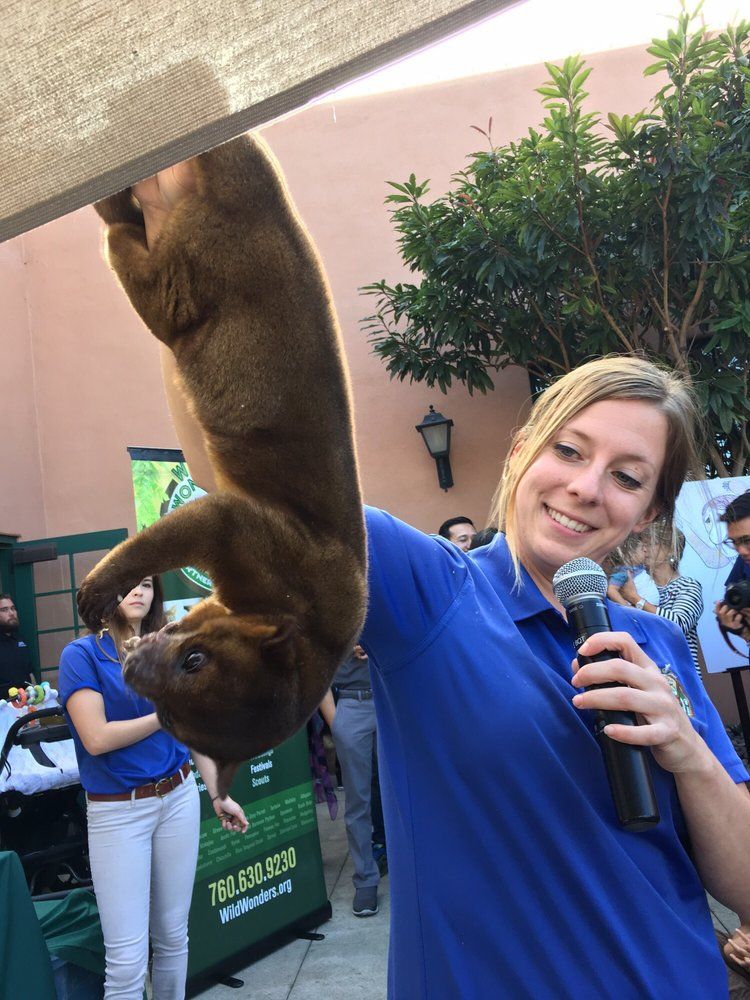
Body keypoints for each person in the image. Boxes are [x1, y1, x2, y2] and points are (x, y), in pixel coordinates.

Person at [121, 158, 750, 998]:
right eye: (569, 450)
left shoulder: (658, 647)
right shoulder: (435, 594)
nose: (587, 487)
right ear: (524, 450)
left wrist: (686, 750)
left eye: (628, 477)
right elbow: (244, 475)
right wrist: (178, 232)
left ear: (646, 513)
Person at [58, 576, 248, 1000]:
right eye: (128, 583)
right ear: (104, 595)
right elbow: (97, 738)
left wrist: (219, 793)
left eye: (145, 583)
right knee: (126, 962)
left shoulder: (167, 649)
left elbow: (189, 732)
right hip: (118, 811)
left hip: (178, 797)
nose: (138, 591)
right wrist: (166, 712)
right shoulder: (81, 655)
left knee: (173, 939)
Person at [320, 644, 380, 917]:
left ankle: (416, 871)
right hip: (352, 703)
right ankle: (365, 879)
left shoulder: (391, 601)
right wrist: (337, 722)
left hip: (393, 697)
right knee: (357, 800)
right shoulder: (336, 608)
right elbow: (318, 670)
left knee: (408, 793)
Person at [610, 528, 705, 674]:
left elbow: (677, 625)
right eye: (642, 544)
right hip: (644, 676)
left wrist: (635, 599)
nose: (645, 549)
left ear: (672, 551)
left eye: (651, 543)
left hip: (680, 677)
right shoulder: (633, 582)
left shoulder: (688, 586)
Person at [716, 489, 750, 657]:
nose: (742, 551)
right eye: (734, 542)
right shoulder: (744, 563)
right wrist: (742, 630)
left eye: (747, 541)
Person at [0, 594, 34, 691]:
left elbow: (30, 673)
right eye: (4, 610)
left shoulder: (20, 639)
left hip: (26, 701)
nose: (11, 613)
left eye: (13, 608)